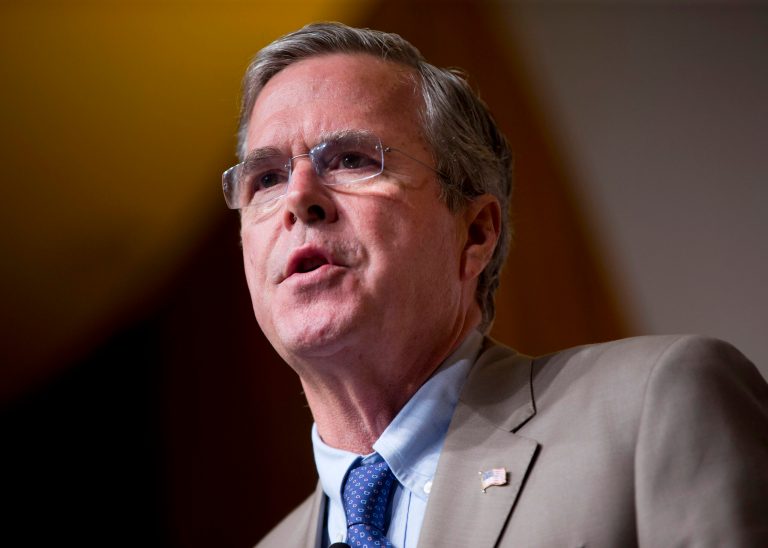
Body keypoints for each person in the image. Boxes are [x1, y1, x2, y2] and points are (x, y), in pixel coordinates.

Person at [221, 22, 768, 548]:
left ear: (476, 231)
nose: (298, 198)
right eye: (267, 178)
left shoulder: (655, 407)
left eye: (352, 160)